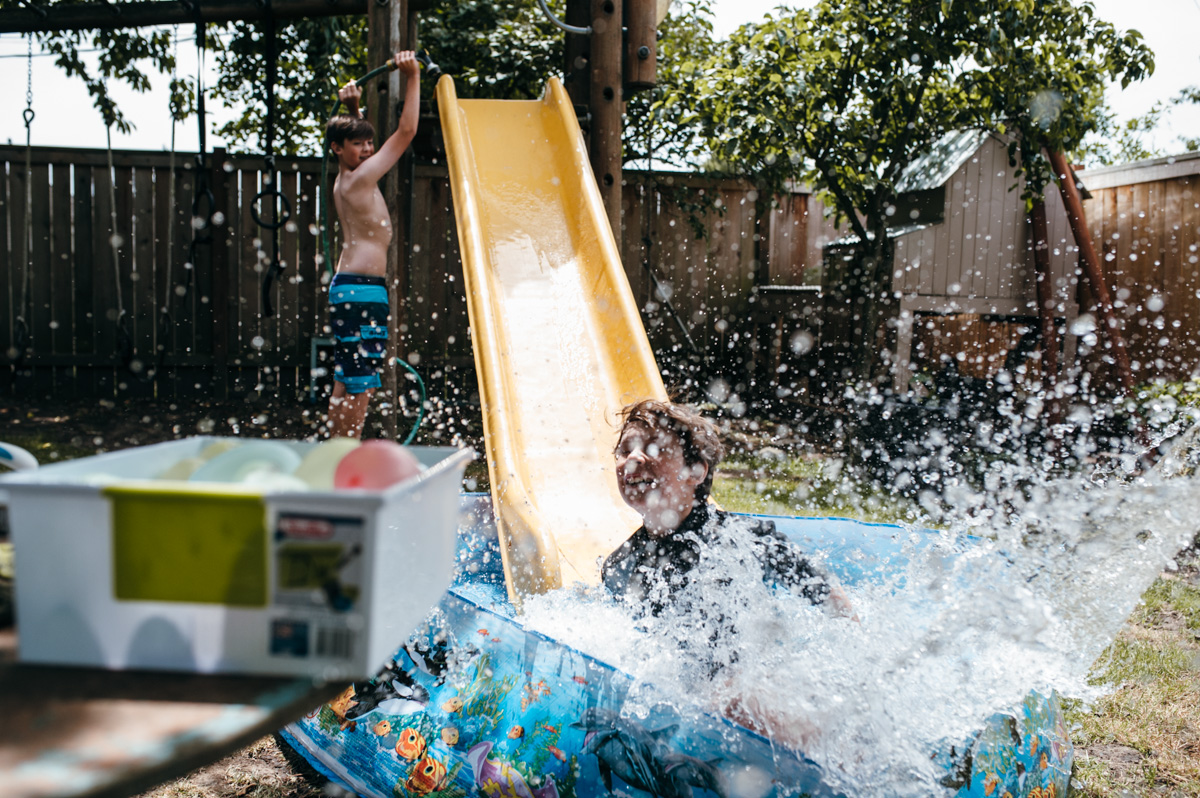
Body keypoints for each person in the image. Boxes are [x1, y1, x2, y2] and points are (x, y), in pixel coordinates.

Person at [601, 399, 853, 747]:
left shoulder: (741, 537)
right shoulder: (619, 567)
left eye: (652, 448)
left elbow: (828, 595)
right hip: (690, 703)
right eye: (625, 449)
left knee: (733, 699)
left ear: (696, 472)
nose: (633, 459)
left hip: (755, 690)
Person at [324, 51, 421, 439]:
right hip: (363, 291)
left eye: (369, 144)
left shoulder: (347, 178)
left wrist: (353, 108)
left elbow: (357, 145)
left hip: (352, 287)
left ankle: (334, 451)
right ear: (336, 148)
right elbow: (407, 131)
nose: (366, 151)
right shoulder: (360, 178)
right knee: (361, 380)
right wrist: (413, 77)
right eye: (357, 144)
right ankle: (348, 458)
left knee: (347, 377)